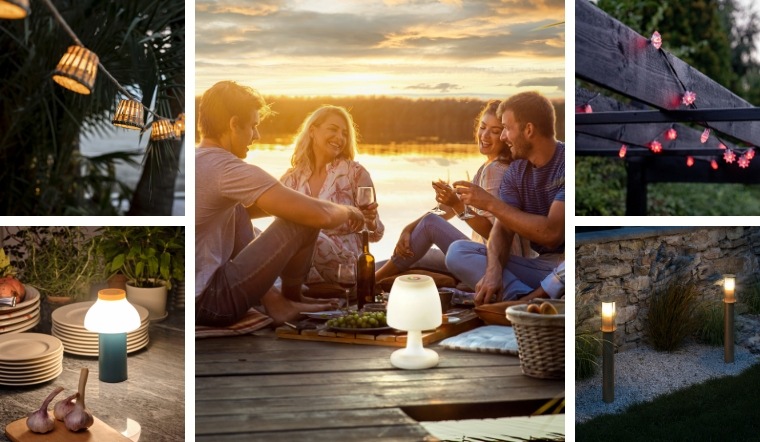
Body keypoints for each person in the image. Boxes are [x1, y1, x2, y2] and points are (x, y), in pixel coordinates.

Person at [195, 81, 365, 327]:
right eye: (253, 126)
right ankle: (289, 298)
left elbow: (259, 208)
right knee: (302, 220)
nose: (256, 135)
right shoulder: (227, 169)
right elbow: (320, 216)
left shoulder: (198, 160)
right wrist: (349, 210)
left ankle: (277, 301)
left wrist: (292, 202)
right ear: (233, 124)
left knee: (238, 212)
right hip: (211, 302)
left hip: (197, 297)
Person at [374, 100, 531, 283]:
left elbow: (495, 233)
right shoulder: (490, 166)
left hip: (499, 265)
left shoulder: (495, 171)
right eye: (482, 127)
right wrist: (408, 228)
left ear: (505, 136)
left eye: (495, 131)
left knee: (430, 226)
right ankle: (371, 276)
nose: (485, 135)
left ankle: (370, 283)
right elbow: (445, 209)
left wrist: (457, 206)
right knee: (423, 255)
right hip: (483, 256)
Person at [447, 91, 564, 305]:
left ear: (528, 130)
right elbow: (502, 228)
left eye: (506, 129)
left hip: (565, 268)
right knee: (458, 251)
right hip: (536, 267)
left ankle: (518, 301)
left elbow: (552, 233)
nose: (502, 137)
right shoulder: (516, 170)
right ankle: (518, 298)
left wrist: (490, 203)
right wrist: (493, 271)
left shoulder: (565, 164)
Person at [281, 105, 384, 285]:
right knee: (255, 234)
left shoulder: (355, 173)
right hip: (301, 269)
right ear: (312, 131)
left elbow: (376, 234)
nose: (340, 138)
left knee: (308, 233)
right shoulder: (291, 179)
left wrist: (371, 220)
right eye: (333, 129)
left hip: (344, 267)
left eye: (344, 133)